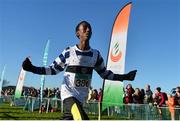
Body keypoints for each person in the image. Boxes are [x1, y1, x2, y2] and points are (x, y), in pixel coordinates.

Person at [22, 21, 137, 120]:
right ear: (78, 33)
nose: (88, 30)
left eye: (90, 29)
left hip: (81, 97)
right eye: (85, 28)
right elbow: (52, 70)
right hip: (68, 94)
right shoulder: (69, 52)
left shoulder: (95, 55)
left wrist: (125, 76)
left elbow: (105, 74)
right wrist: (32, 68)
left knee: (69, 118)